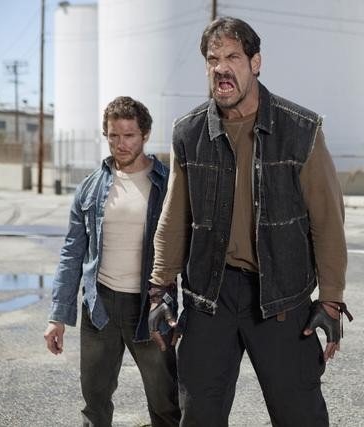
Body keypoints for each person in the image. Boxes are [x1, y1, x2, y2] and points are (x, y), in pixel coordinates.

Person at [147, 17, 350, 427]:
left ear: (256, 63)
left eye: (233, 57)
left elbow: (327, 220)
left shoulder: (300, 129)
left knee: (300, 414)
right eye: (213, 59)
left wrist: (330, 299)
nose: (221, 68)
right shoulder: (188, 132)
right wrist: (159, 288)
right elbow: (174, 217)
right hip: (211, 294)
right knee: (199, 413)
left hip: (281, 295)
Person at [43, 96, 180, 427]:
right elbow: (72, 253)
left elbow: (187, 248)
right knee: (95, 404)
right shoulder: (90, 188)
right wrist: (57, 316)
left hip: (150, 306)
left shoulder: (168, 185)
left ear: (145, 135)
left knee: (165, 403)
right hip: (99, 307)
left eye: (129, 135)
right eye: (113, 135)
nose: (121, 144)